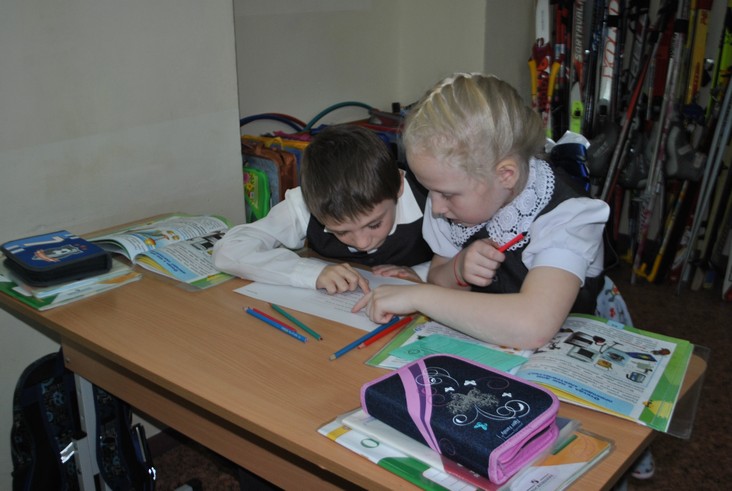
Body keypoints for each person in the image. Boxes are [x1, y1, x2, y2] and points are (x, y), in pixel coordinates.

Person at [353, 73, 610, 349]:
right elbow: (439, 277)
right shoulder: (450, 200)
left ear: (506, 175)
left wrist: (419, 296)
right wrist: (458, 269)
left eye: (447, 194)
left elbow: (533, 326)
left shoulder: (568, 216)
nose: (436, 207)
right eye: (430, 191)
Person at [212, 124, 433, 294]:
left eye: (374, 224)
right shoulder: (307, 202)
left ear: (399, 185)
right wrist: (312, 273)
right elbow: (229, 250)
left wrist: (422, 273)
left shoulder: (433, 198)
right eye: (341, 231)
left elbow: (454, 261)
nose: (362, 243)